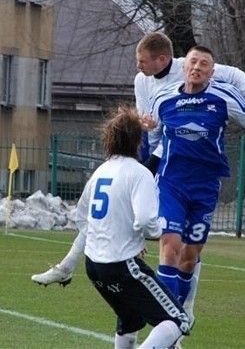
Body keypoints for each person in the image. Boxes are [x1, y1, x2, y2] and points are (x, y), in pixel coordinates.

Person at [32, 32, 245, 307]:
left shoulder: (191, 65)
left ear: (162, 60)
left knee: (186, 248)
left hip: (176, 161)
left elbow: (236, 75)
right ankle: (67, 266)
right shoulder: (142, 80)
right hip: (153, 157)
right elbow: (147, 124)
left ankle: (183, 309)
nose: (138, 67)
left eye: (142, 61)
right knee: (127, 214)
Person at [147, 45, 245, 324]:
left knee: (189, 258)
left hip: (205, 188)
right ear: (183, 67)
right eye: (193, 62)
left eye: (203, 64)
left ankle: (177, 315)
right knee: (169, 246)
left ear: (212, 71)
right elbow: (152, 140)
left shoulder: (224, 96)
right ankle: (167, 323)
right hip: (170, 184)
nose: (196, 68)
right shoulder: (162, 98)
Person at [75, 105, 191, 348]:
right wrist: (157, 233)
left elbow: (82, 218)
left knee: (130, 320)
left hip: (93, 266)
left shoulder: (100, 171)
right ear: (138, 140)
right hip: (121, 265)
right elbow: (147, 222)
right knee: (178, 320)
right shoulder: (139, 173)